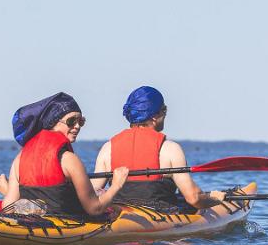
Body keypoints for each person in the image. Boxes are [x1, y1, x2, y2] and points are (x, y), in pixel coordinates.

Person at [0, 92, 128, 215]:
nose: (77, 126)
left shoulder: (20, 158)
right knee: (109, 202)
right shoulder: (69, 159)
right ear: (53, 122)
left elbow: (8, 206)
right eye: (71, 121)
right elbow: (94, 208)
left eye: (81, 121)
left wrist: (7, 191)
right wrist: (116, 185)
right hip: (65, 226)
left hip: (33, 221)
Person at [92, 86, 225, 210]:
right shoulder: (171, 149)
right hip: (160, 218)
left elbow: (92, 195)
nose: (165, 115)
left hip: (119, 214)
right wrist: (215, 199)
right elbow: (194, 199)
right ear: (155, 116)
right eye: (164, 110)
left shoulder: (107, 148)